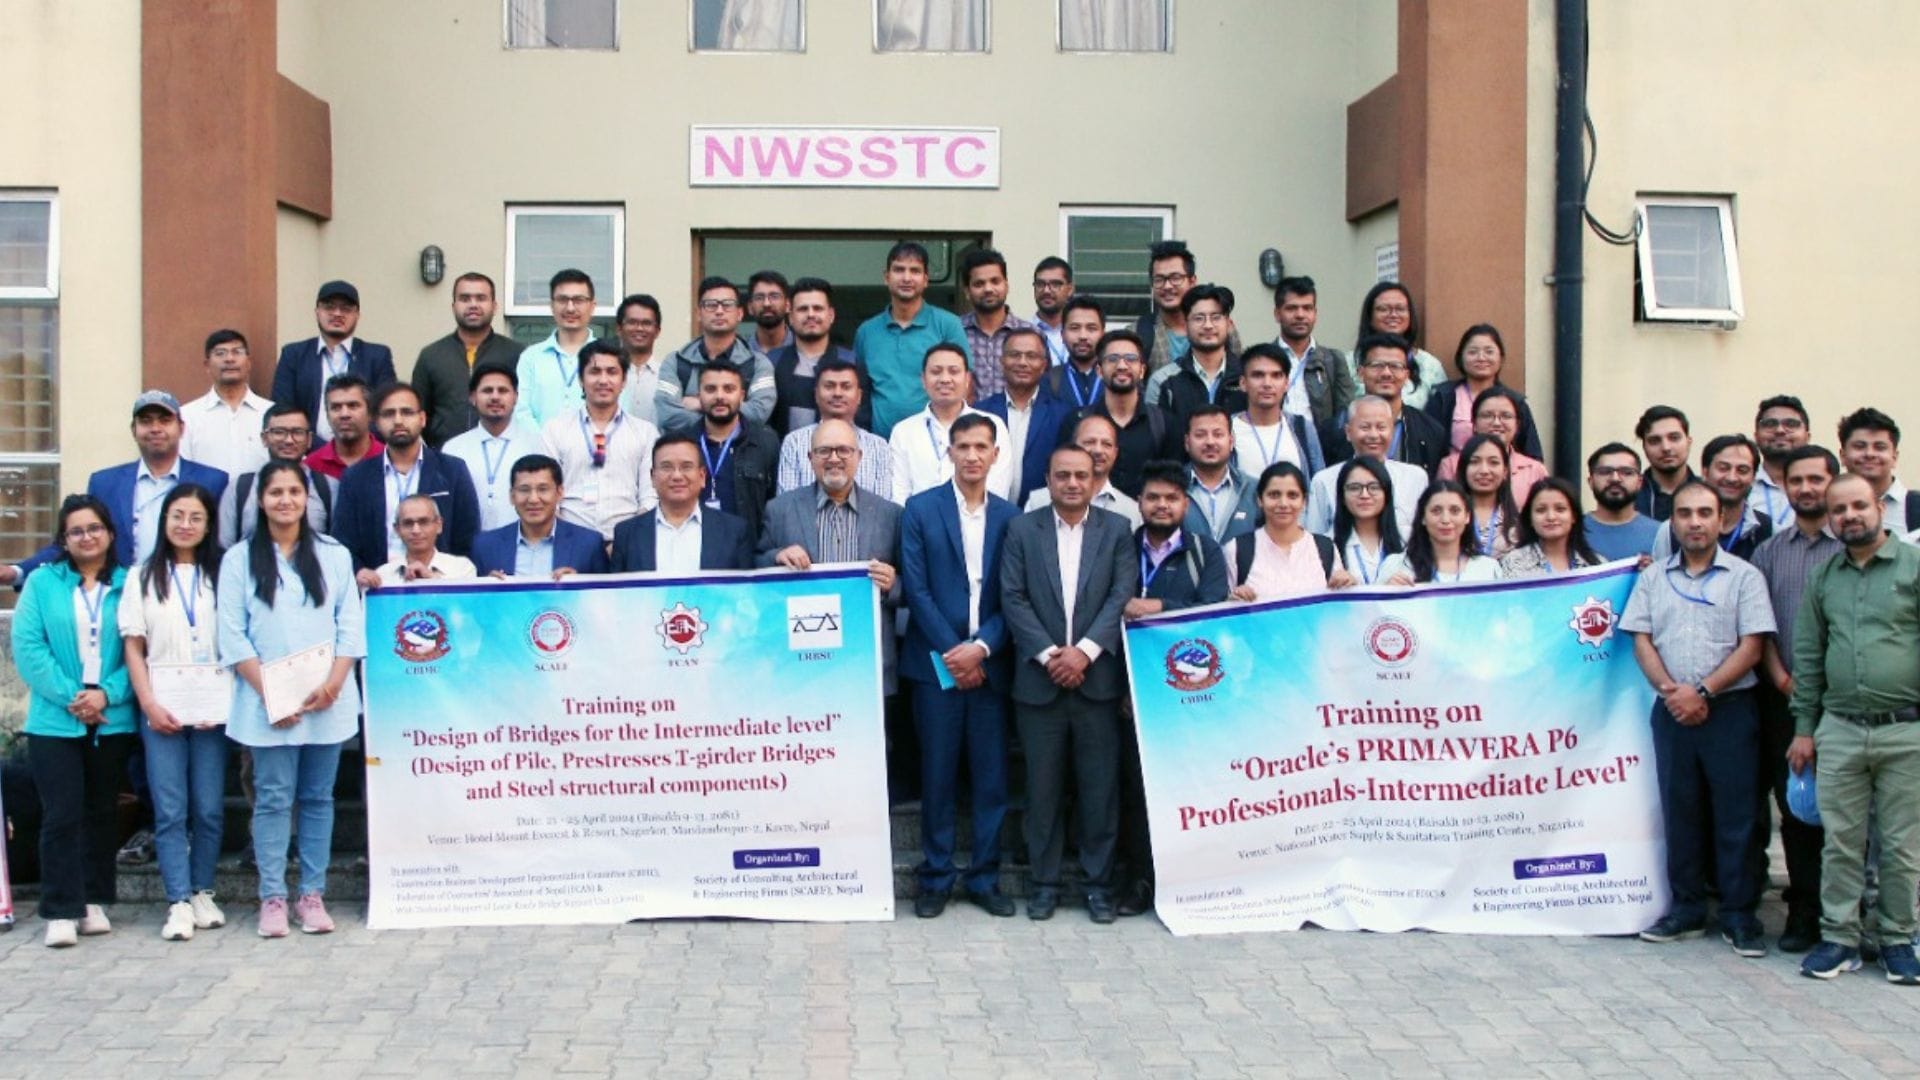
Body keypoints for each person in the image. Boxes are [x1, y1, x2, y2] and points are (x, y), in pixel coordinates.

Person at [1622, 480, 1773, 957]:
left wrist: (1703, 690)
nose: (1694, 522)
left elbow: (1753, 645)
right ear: (1673, 522)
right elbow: (1641, 638)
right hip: (1672, 710)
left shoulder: (1745, 576)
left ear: (1720, 520)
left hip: (1730, 710)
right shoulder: (1653, 578)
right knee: (1680, 810)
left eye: (1704, 513)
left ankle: (1739, 914)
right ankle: (1687, 908)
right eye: (1685, 513)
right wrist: (1673, 692)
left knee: (1737, 816)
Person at [217, 461, 365, 938]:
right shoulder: (239, 559)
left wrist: (334, 684)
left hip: (326, 698)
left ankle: (312, 894)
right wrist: (274, 695)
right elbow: (232, 635)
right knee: (273, 799)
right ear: (261, 501)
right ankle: (273, 897)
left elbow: (350, 627)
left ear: (307, 499)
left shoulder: (333, 555)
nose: (285, 500)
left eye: (294, 492)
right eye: (275, 492)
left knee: (318, 797)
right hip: (268, 704)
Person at [1787, 472, 1920, 984]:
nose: (1850, 516)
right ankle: (1839, 938)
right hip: (1839, 729)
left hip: (1905, 730)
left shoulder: (1913, 567)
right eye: (1839, 509)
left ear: (1880, 508)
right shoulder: (1824, 578)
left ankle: (1897, 939)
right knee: (1841, 842)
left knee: (1902, 845)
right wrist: (1804, 728)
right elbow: (1808, 656)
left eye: (1859, 506)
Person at [999, 445, 1138, 923]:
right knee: (1042, 792)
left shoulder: (1117, 529)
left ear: (1095, 480)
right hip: (1039, 684)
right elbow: (1012, 596)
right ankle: (1044, 884)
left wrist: (1086, 651)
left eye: (1082, 475)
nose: (1073, 483)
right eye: (1063, 475)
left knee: (1099, 792)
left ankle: (1098, 886)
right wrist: (1049, 654)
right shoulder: (1022, 529)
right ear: (1048, 479)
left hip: (1097, 683)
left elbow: (1121, 593)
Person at [900, 414, 1020, 919]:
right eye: (963, 446)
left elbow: (1017, 593)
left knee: (991, 781)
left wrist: (983, 648)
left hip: (991, 665)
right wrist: (956, 653)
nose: (972, 455)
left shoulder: (1012, 516)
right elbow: (916, 588)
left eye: (981, 447)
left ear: (995, 455)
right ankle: (935, 876)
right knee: (938, 776)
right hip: (935, 664)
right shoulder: (920, 508)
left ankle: (985, 879)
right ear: (948, 452)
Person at [13, 495, 135, 948]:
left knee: (101, 812)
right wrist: (74, 697)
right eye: (76, 531)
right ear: (63, 540)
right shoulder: (42, 583)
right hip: (54, 720)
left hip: (112, 718)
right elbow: (29, 647)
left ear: (110, 533)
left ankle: (94, 899)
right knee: (61, 814)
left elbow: (141, 650)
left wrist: (108, 693)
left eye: (94, 528)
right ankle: (61, 908)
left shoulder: (130, 583)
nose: (87, 537)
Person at [1116, 461, 1229, 916]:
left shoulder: (1205, 552)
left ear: (1186, 503)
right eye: (1153, 498)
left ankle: (1192, 882)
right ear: (1139, 503)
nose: (1162, 506)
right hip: (1128, 693)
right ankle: (1139, 880)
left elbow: (1213, 609)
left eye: (1171, 498)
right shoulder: (1120, 548)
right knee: (1134, 792)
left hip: (1187, 695)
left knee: (1189, 787)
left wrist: (1158, 605)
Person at [118, 484, 228, 941]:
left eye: (196, 517)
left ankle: (202, 890)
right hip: (162, 704)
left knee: (209, 807)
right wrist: (148, 702)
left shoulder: (223, 573)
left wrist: (223, 701)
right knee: (169, 808)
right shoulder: (142, 575)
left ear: (208, 524)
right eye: (177, 515)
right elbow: (134, 646)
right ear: (164, 521)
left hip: (212, 707)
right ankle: (178, 899)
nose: (186, 525)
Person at [1747, 444, 1843, 954]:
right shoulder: (1768, 552)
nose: (1805, 488)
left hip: (1846, 705)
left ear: (1833, 482)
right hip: (1784, 700)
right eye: (1796, 480)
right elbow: (1759, 629)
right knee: (1798, 809)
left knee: (1848, 813)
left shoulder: (1850, 548)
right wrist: (1784, 681)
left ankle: (1843, 915)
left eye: (1815, 479)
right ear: (1784, 487)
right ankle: (1803, 912)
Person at [8, 392, 229, 586]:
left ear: (181, 428)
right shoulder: (105, 484)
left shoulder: (212, 481)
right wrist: (17, 571)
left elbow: (225, 546)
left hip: (190, 597)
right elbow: (75, 540)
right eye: (146, 421)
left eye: (165, 420)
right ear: (134, 430)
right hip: (119, 596)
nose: (155, 428)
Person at [757, 420, 902, 690]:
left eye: (843, 450)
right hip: (799, 664)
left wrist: (893, 584)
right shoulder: (780, 510)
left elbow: (912, 588)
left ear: (859, 456)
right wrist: (777, 556)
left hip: (867, 662)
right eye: (824, 451)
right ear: (810, 457)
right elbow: (756, 567)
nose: (834, 458)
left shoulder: (889, 514)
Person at [331, 382, 481, 580]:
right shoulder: (356, 477)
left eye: (407, 412)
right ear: (376, 422)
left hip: (439, 584)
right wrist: (358, 571)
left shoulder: (452, 470)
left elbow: (468, 538)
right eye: (389, 414)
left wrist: (448, 579)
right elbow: (343, 542)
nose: (398, 421)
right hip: (378, 586)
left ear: (422, 418)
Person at [540, 340, 660, 543]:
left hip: (626, 543)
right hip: (569, 543)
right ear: (581, 379)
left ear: (624, 381)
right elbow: (547, 491)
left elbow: (650, 496)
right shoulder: (555, 430)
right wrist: (571, 542)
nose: (603, 380)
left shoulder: (645, 433)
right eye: (595, 372)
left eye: (612, 372)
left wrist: (625, 541)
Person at [854, 241, 970, 435]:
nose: (906, 278)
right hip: (880, 443)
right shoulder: (867, 332)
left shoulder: (948, 325)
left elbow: (965, 385)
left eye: (915, 271)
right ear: (886, 277)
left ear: (925, 279)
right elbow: (860, 392)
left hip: (936, 442)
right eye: (899, 270)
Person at [272, 281, 396, 446]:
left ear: (357, 315)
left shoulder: (377, 356)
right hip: (307, 453)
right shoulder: (293, 355)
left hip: (363, 453)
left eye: (346, 308)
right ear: (317, 312)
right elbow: (283, 408)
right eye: (329, 307)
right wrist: (320, 449)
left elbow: (386, 409)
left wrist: (355, 446)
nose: (337, 313)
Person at [609, 434, 755, 573]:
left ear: (702, 476)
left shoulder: (734, 531)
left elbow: (745, 589)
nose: (677, 476)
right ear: (653, 477)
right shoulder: (626, 534)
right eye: (667, 467)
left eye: (686, 467)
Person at [890, 343, 1014, 505]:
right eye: (936, 372)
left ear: (967, 379)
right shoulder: (903, 431)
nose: (945, 379)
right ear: (923, 380)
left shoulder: (992, 425)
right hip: (918, 520)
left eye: (954, 371)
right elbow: (899, 495)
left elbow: (997, 489)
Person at [410, 271, 524, 447]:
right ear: (453, 306)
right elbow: (418, 412)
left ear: (494, 306)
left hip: (506, 452)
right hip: (444, 454)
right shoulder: (431, 356)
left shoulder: (517, 354)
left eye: (481, 298)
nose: (473, 305)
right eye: (465, 298)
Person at [1064, 329, 1181, 499]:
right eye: (1112, 359)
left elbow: (1172, 484)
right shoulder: (1076, 422)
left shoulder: (1164, 423)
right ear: (1099, 371)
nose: (1121, 366)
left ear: (1142, 370)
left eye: (1131, 359)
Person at [655, 277, 778, 434]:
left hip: (740, 448)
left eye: (727, 304)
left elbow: (758, 414)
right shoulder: (675, 362)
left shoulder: (758, 364)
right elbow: (667, 415)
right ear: (698, 313)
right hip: (686, 448)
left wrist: (701, 403)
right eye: (711, 305)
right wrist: (726, 411)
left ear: (739, 313)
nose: (719, 311)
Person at [470, 454, 611, 580]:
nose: (533, 499)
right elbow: (471, 599)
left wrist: (579, 587)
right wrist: (486, 589)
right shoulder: (485, 546)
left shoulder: (588, 544)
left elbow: (605, 597)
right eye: (524, 490)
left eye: (543, 489)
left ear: (559, 493)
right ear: (512, 496)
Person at [1304, 396, 1427, 539]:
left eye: (1381, 427)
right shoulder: (1324, 481)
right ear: (1348, 432)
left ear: (1392, 432)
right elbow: (1315, 539)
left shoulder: (1415, 477)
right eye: (1365, 427)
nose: (1374, 435)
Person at [1328, 333, 1447, 477]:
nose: (1386, 373)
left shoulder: (1431, 431)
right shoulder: (1334, 429)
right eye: (1377, 365)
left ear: (1406, 375)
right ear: (1360, 373)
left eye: (1395, 366)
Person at [217, 405, 336, 548]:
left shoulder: (328, 487)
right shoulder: (240, 488)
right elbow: (225, 548)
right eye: (279, 432)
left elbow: (336, 548)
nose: (289, 440)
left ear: (309, 439)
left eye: (297, 432)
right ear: (264, 438)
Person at [977, 328, 1072, 506]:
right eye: (1014, 355)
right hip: (988, 510)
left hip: (1041, 514)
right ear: (1002, 361)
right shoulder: (980, 412)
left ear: (1043, 365)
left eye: (1031, 356)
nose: (1022, 362)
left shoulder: (1063, 415)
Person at [443, 366, 545, 531]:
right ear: (473, 397)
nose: (495, 397)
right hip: (467, 542)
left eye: (503, 391)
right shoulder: (454, 449)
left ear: (515, 397)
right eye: (487, 391)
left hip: (522, 539)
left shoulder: (536, 445)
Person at [776, 357, 893, 496]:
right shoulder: (794, 443)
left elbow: (882, 505)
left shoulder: (878, 447)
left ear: (859, 396)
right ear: (816, 394)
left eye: (846, 387)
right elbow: (788, 504)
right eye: (829, 386)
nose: (837, 393)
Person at [690, 363, 780, 543]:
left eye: (729, 389)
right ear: (699, 396)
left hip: (748, 551)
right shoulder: (682, 443)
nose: (719, 396)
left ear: (742, 395)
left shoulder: (765, 442)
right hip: (693, 548)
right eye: (710, 389)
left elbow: (775, 503)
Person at [768, 278, 869, 437]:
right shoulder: (771, 362)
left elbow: (862, 421)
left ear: (831, 315)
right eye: (803, 309)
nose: (811, 314)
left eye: (817, 308)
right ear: (791, 317)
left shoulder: (851, 363)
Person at [1650, 434, 1775, 562]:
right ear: (1705, 472)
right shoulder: (1671, 530)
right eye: (1723, 468)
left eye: (1742, 470)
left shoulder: (1769, 529)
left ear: (1753, 477)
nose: (1732, 478)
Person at [1424, 324, 1543, 457]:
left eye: (1489, 351)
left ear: (1501, 358)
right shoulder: (1443, 397)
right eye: (1473, 352)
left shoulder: (1515, 402)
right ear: (1461, 357)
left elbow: (1532, 453)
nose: (1481, 358)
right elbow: (1428, 445)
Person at [1225, 462, 1339, 601]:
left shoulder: (1325, 548)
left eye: (1292, 495)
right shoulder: (1237, 550)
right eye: (1274, 495)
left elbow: (1338, 604)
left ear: (1304, 501)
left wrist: (1346, 584)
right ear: (1259, 500)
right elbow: (1222, 606)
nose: (1283, 504)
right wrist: (1233, 599)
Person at [1132, 240, 1241, 374]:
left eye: (1175, 278)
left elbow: (1239, 374)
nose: (1167, 286)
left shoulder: (1221, 330)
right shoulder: (1138, 333)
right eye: (1159, 279)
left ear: (1192, 281)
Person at [179, 329, 274, 482]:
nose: (229, 359)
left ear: (249, 362)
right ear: (207, 365)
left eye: (237, 352)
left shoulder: (272, 413)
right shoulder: (187, 416)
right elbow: (182, 469)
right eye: (220, 353)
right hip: (205, 496)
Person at [513, 269, 598, 430]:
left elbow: (619, 409)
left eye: (578, 300)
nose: (570, 308)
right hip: (539, 445)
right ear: (552, 305)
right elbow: (520, 410)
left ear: (592, 306)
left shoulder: (607, 357)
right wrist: (545, 442)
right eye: (562, 300)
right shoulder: (531, 357)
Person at [1147, 283, 1245, 421]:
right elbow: (1155, 431)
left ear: (1229, 324)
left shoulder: (1247, 377)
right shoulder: (1163, 381)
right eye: (1199, 318)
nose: (1208, 325)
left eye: (1216, 317)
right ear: (1186, 325)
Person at [1229, 344, 1327, 482]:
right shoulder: (1228, 429)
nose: (1267, 384)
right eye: (1258, 375)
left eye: (1276, 376)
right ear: (1243, 383)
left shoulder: (1302, 427)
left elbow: (1318, 482)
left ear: (1286, 383)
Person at [1436, 387, 1548, 506]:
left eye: (1506, 416)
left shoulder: (1534, 470)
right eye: (1487, 415)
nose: (1496, 423)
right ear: (1474, 424)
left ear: (1517, 425)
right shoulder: (1450, 466)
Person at [1026, 414, 1142, 528]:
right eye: (1089, 442)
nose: (1098, 450)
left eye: (1106, 444)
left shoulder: (1131, 511)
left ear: (1115, 453)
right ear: (1073, 446)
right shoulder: (1038, 501)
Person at [1271, 275, 1356, 429]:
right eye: (1292, 308)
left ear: (1315, 314)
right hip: (1274, 441)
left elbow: (1345, 415)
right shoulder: (1263, 359)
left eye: (1307, 308)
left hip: (1321, 443)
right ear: (1277, 314)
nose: (1300, 315)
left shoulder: (1333, 360)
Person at [1379, 481, 1504, 585]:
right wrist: (1387, 592)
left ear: (1467, 517)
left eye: (1454, 511)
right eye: (1436, 511)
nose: (1445, 520)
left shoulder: (1488, 569)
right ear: (1423, 517)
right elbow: (1374, 606)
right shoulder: (1396, 565)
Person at [1349, 282, 1446, 411]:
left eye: (1400, 309)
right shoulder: (1349, 362)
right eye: (1383, 309)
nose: (1393, 315)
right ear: (1370, 316)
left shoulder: (1429, 365)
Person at [958, 248, 1034, 401]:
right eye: (979, 284)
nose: (988, 289)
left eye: (995, 281)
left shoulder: (1030, 334)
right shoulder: (954, 332)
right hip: (968, 416)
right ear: (967, 291)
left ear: (1006, 285)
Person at [1181, 406, 1260, 546]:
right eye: (1200, 435)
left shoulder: (1253, 490)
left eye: (1218, 435)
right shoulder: (1172, 489)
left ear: (1231, 441)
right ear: (1187, 443)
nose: (1210, 442)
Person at [1835, 407, 1916, 534]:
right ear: (1843, 456)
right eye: (1859, 446)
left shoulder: (1916, 507)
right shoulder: (1826, 508)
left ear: (1894, 457)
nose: (1869, 454)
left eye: (1880, 447)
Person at [1498, 478, 1600, 578]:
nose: (1551, 517)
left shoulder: (1595, 566)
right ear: (1530, 518)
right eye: (1541, 510)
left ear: (1574, 516)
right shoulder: (1513, 563)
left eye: (1560, 509)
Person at [1330, 456, 1405, 588]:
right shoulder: (1326, 545)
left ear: (1387, 494)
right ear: (1342, 496)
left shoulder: (1407, 539)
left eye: (1374, 487)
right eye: (1354, 488)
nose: (1364, 495)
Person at [371, 495, 478, 587]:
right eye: (408, 523)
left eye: (423, 522)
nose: (416, 530)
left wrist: (431, 580)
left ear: (439, 525)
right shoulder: (383, 575)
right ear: (397, 529)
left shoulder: (462, 569)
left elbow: (464, 604)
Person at [1584, 442, 1662, 561]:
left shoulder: (1661, 534)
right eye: (1605, 472)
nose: (1615, 479)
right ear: (1591, 481)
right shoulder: (1571, 532)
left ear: (1640, 482)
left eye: (1626, 472)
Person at [302, 374, 383, 481]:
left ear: (370, 413)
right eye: (336, 407)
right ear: (327, 415)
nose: (344, 414)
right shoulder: (311, 466)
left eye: (353, 406)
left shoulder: (389, 460)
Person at [1750, 395, 1811, 530]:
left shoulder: (1824, 488)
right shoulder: (1741, 486)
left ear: (1807, 436)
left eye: (1791, 424)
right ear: (1756, 436)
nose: (1780, 430)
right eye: (1770, 424)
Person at [1455, 434, 1521, 560]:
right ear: (1464, 469)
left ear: (1505, 471)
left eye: (1493, 463)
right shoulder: (1449, 518)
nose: (1484, 470)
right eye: (1475, 462)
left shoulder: (1519, 523)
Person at [1041, 296, 1107, 410]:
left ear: (1103, 335)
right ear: (1062, 335)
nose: (1083, 336)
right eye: (1075, 328)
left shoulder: (1117, 377)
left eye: (1091, 328)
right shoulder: (1048, 381)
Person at [1634, 405, 1697, 522]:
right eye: (1655, 441)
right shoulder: (1631, 495)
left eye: (1674, 438)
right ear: (1644, 447)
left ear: (1688, 442)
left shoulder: (1709, 493)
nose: (1666, 447)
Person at [614, 294, 666, 427]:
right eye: (632, 322)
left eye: (646, 323)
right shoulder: (607, 376)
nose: (639, 328)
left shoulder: (668, 377)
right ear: (619, 329)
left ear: (657, 331)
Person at [1029, 256, 1074, 366]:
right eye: (1040, 284)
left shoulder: (1081, 334)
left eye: (1055, 284)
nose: (1046, 291)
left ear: (1070, 289)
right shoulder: (1023, 331)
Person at [745, 269, 794, 356]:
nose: (766, 304)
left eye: (774, 296)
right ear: (750, 307)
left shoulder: (803, 349)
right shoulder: (740, 354)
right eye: (759, 297)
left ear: (788, 305)